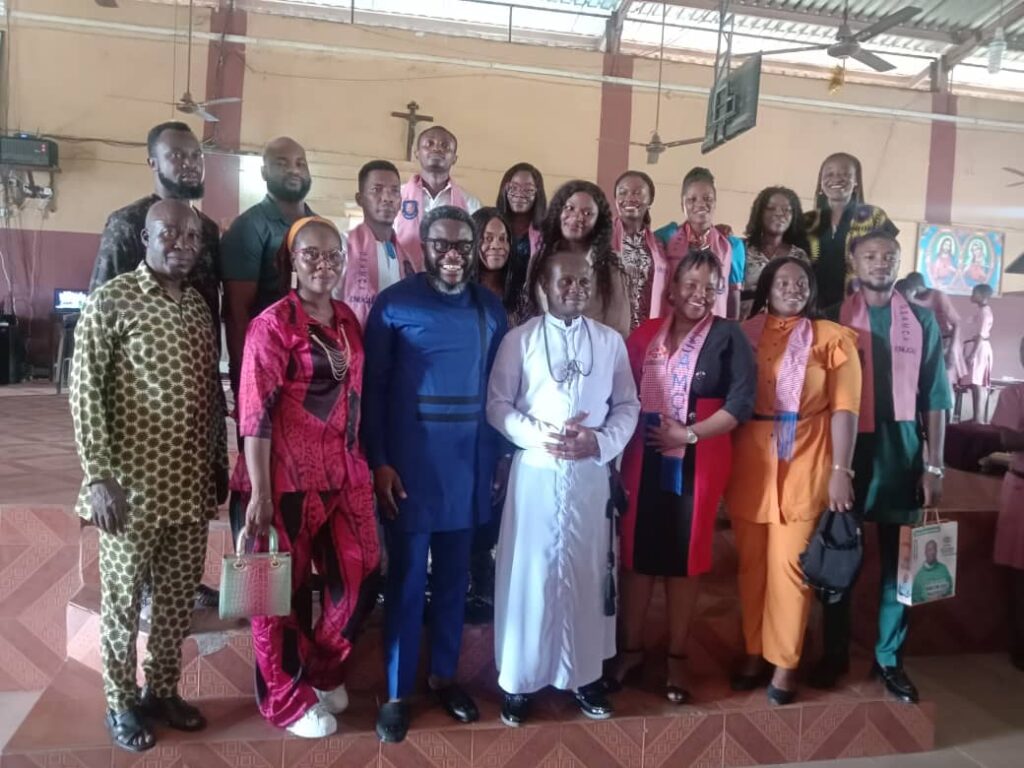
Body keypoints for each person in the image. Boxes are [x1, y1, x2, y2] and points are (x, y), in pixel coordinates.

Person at [70, 199, 228, 753]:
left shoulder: (199, 310)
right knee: (121, 602)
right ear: (145, 238)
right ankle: (120, 701)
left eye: (193, 236)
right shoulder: (113, 300)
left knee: (176, 600)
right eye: (170, 233)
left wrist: (217, 464)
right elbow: (85, 389)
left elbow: (209, 396)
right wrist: (98, 476)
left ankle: (162, 690)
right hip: (128, 489)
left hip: (187, 485)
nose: (183, 244)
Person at [363, 206, 507, 743]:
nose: (452, 255)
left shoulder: (490, 308)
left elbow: (500, 391)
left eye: (462, 245)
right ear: (421, 246)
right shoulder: (393, 304)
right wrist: (380, 460)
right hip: (409, 466)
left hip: (468, 465)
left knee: (453, 579)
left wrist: (498, 457)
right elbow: (373, 390)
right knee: (405, 580)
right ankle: (396, 692)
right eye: (441, 244)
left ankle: (444, 677)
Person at [233, 216, 380, 739]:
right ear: (291, 261)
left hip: (343, 472)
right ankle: (285, 700)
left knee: (362, 575)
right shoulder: (272, 324)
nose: (323, 264)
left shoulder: (347, 319)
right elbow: (254, 413)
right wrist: (260, 493)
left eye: (333, 254)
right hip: (280, 479)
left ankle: (320, 671)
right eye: (311, 254)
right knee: (274, 596)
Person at [487, 248, 639, 726]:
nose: (575, 289)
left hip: (590, 475)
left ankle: (585, 676)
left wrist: (600, 441)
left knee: (587, 572)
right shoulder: (519, 340)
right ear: (543, 288)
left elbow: (628, 405)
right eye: (565, 282)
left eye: (583, 281)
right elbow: (497, 405)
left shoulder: (610, 342)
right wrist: (542, 436)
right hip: (536, 473)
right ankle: (520, 680)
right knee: (531, 575)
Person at [811, 230, 951, 704]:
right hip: (846, 452)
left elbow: (936, 395)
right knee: (840, 554)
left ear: (898, 262)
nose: (880, 262)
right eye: (870, 255)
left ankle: (890, 658)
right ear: (854, 262)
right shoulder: (832, 317)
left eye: (889, 256)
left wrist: (934, 467)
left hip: (902, 453)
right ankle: (834, 653)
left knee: (901, 563)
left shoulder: (921, 320)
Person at [613, 249, 755, 703]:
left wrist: (689, 434)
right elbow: (620, 394)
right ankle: (631, 650)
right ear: (672, 288)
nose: (699, 294)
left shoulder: (729, 337)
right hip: (642, 456)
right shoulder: (645, 335)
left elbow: (740, 404)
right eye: (690, 284)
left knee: (685, 557)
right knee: (636, 555)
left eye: (709, 287)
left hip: (699, 458)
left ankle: (677, 658)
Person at [726, 257, 861, 705]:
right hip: (751, 462)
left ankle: (784, 662)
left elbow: (845, 409)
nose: (792, 288)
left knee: (791, 569)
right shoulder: (744, 333)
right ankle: (754, 651)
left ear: (812, 289)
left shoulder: (831, 338)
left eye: (801, 281)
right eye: (782, 281)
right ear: (766, 288)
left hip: (806, 459)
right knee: (751, 566)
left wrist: (842, 471)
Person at [90, 121, 221, 346]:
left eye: (196, 155)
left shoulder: (208, 229)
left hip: (199, 356)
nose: (190, 163)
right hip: (144, 359)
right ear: (153, 163)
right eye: (177, 155)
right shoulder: (128, 222)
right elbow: (99, 308)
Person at [220, 137, 314, 391]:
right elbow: (238, 312)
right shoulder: (249, 227)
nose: (294, 170)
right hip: (265, 362)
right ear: (264, 172)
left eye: (300, 163)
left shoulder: (317, 226)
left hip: (309, 363)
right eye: (282, 163)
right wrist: (246, 379)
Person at [466, 206, 520, 623]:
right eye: (486, 238)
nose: (495, 246)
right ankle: (464, 580)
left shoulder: (522, 293)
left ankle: (489, 584)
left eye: (502, 238)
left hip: (510, 408)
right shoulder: (459, 291)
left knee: (497, 494)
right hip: (467, 405)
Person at [525, 180, 631, 338]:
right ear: (558, 211)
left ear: (598, 221)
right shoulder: (539, 260)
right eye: (570, 208)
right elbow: (532, 314)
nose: (577, 217)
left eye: (588, 213)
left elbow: (619, 329)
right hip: (546, 349)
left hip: (594, 350)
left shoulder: (610, 264)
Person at [805, 152, 898, 312]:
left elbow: (890, 259)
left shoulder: (874, 217)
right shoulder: (807, 221)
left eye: (845, 174)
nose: (836, 178)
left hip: (859, 308)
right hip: (812, 307)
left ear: (856, 181)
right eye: (829, 174)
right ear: (821, 181)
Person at [653, 167, 745, 320]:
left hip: (713, 328)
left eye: (707, 199)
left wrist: (729, 331)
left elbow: (732, 300)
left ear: (715, 203)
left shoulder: (731, 246)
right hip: (672, 325)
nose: (701, 204)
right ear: (682, 204)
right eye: (692, 199)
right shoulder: (665, 238)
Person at [335, 160, 419, 328]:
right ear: (360, 199)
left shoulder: (406, 257)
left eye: (394, 191)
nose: (387, 198)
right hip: (353, 338)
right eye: (376, 189)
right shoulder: (342, 246)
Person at [394, 126, 481, 257]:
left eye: (445, 146)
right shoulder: (396, 196)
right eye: (429, 144)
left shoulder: (471, 204)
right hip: (402, 269)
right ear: (417, 153)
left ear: (454, 158)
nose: (437, 148)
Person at [991, 338, 1024, 670]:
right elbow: (1009, 439)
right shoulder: (1014, 394)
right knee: (1019, 572)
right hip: (1021, 489)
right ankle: (1020, 644)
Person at [740, 187, 810, 319]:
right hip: (744, 324)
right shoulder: (741, 249)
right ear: (759, 212)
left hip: (785, 327)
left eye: (786, 210)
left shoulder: (799, 256)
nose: (779, 214)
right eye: (771, 208)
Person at [613, 170, 664, 330]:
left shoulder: (658, 246)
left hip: (645, 332)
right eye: (623, 192)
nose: (629, 198)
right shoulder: (601, 238)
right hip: (610, 331)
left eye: (637, 193)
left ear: (650, 200)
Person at [899, 271, 966, 389]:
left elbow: (956, 324)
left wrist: (951, 350)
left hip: (946, 342)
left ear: (917, 287)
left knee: (944, 382)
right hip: (928, 342)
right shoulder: (913, 298)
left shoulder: (938, 296)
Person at [495, 162, 546, 304]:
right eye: (514, 187)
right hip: (493, 301)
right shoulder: (492, 224)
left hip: (531, 305)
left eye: (528, 189)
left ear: (538, 193)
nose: (520, 194)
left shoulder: (547, 231)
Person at [963, 284, 995, 423]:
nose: (972, 295)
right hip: (976, 347)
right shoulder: (981, 311)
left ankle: (978, 418)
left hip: (979, 348)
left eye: (974, 293)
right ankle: (976, 416)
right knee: (974, 383)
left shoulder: (985, 313)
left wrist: (972, 354)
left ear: (983, 296)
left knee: (978, 383)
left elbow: (981, 335)